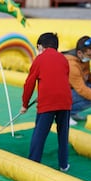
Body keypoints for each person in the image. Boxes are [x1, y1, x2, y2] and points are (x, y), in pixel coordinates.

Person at [21, 33, 72, 172]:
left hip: (48, 102)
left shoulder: (39, 59)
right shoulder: (63, 59)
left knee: (40, 133)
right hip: (65, 101)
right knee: (63, 134)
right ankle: (63, 165)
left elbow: (29, 83)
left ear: (40, 47)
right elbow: (60, 80)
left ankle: (33, 164)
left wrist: (24, 104)